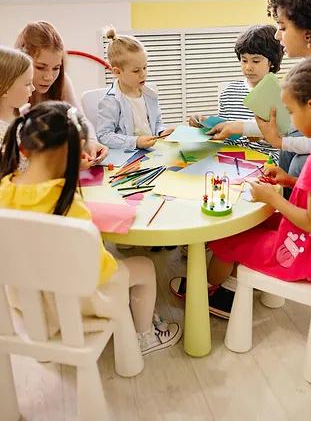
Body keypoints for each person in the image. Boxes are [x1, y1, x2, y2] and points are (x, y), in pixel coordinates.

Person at [171, 57, 311, 317]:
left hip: (302, 253)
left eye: (291, 112)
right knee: (250, 224)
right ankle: (223, 284)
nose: (290, 122)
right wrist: (288, 180)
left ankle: (207, 292)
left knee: (227, 235)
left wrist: (273, 199)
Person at [0, 101, 182, 355]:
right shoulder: (68, 205)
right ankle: (145, 337)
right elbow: (99, 270)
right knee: (145, 267)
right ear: (76, 156)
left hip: (25, 301)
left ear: (23, 148)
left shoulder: (4, 188)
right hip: (72, 303)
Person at [210, 0, 311, 178]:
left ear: (308, 33)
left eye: (282, 27)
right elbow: (293, 122)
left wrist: (278, 141)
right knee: (290, 150)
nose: (277, 35)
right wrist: (238, 127)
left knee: (300, 163)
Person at [14, 21, 108, 168]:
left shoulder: (62, 82)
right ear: (22, 59)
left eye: (56, 68)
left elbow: (80, 119)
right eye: (40, 67)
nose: (49, 77)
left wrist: (90, 141)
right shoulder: (12, 92)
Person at [189, 24, 284, 162]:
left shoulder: (283, 94)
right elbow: (224, 132)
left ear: (272, 62)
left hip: (267, 160)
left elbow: (285, 138)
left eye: (256, 61)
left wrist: (262, 135)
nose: (248, 67)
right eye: (244, 60)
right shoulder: (228, 93)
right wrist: (204, 123)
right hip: (229, 158)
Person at [96, 26, 173, 150]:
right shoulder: (111, 101)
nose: (143, 74)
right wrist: (135, 142)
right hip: (127, 157)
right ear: (117, 72)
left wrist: (161, 132)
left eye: (145, 68)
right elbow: (104, 136)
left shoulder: (149, 94)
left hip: (151, 152)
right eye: (136, 70)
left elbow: (157, 122)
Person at [0, 46, 34, 152]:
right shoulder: (3, 135)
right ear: (4, 89)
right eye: (28, 84)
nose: (33, 88)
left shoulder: (21, 118)